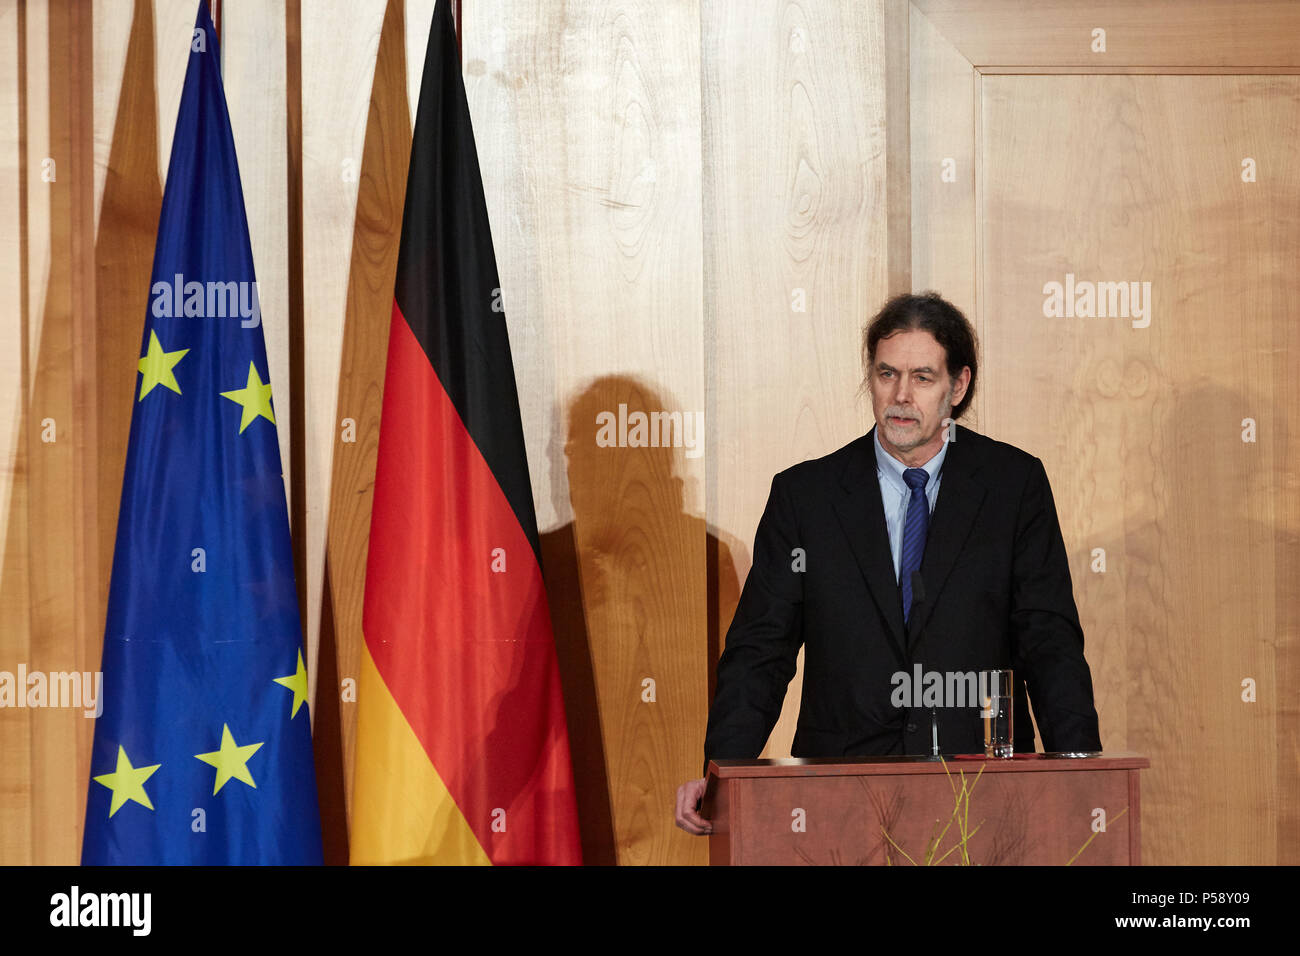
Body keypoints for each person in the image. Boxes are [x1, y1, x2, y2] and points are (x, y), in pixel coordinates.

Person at [675, 292, 1102, 835]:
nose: (901, 396)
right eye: (886, 374)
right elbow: (761, 651)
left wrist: (1085, 776)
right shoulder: (805, 497)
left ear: (958, 386)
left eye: (922, 377)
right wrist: (721, 775)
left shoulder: (1013, 487)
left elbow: (1049, 644)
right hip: (838, 797)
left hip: (979, 795)